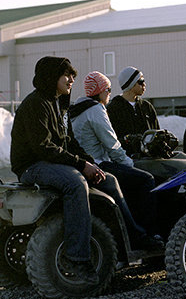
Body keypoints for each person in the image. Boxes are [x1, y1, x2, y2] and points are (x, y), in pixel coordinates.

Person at [10, 57, 114, 285]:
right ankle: (77, 258)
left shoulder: (58, 104)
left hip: (49, 162)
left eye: (73, 75)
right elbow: (43, 148)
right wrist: (80, 166)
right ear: (51, 77)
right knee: (76, 183)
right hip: (32, 166)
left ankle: (126, 239)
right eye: (66, 75)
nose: (72, 80)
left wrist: (90, 163)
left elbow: (69, 142)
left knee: (109, 179)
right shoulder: (36, 104)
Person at [69, 71, 162, 246]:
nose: (110, 93)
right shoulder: (96, 110)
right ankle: (146, 234)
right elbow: (112, 145)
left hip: (87, 162)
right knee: (146, 179)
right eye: (108, 89)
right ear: (101, 91)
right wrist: (130, 164)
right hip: (99, 163)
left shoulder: (78, 110)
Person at [107, 66, 159, 157]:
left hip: (150, 159)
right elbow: (110, 140)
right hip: (126, 160)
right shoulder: (113, 108)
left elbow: (156, 132)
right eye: (141, 82)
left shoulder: (147, 106)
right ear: (131, 84)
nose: (144, 84)